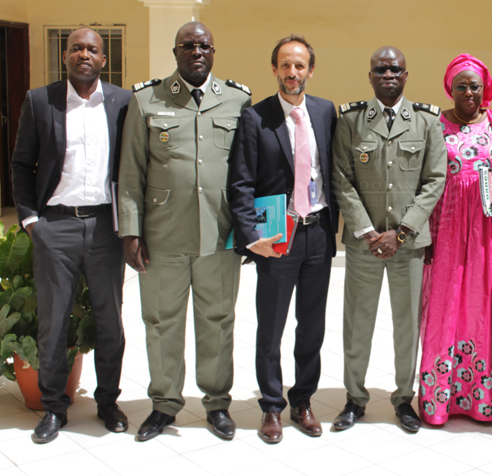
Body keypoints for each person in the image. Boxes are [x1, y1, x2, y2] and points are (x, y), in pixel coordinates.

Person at [117, 22, 252, 441]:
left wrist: (251, 231)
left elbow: (249, 171)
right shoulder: (147, 100)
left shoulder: (237, 100)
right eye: (189, 46)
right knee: (160, 321)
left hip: (219, 234)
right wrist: (131, 231)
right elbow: (130, 172)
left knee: (218, 320)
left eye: (204, 46)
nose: (197, 52)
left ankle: (216, 403)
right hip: (163, 236)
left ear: (214, 52)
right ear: (176, 52)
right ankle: (164, 404)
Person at [11, 27, 130, 443]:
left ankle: (108, 402)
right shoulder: (39, 100)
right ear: (65, 56)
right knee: (54, 321)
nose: (84, 54)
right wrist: (31, 222)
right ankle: (53, 409)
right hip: (55, 225)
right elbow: (22, 164)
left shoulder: (121, 102)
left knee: (109, 321)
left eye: (92, 49)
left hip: (104, 227)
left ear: (103, 59)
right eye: (77, 47)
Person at [228, 35, 338, 444]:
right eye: (285, 65)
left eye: (300, 65)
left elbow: (334, 170)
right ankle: (272, 406)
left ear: (311, 69)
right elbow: (240, 183)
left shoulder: (326, 112)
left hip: (319, 235)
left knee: (312, 325)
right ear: (274, 69)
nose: (293, 73)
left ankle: (302, 401)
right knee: (271, 325)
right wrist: (251, 236)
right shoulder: (255, 117)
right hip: (277, 237)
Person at [332, 46, 447, 433]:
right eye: (381, 69)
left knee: (406, 323)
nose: (388, 75)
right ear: (370, 76)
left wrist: (401, 233)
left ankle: (403, 398)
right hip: (365, 243)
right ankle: (355, 399)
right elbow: (342, 179)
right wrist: (368, 231)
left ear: (406, 75)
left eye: (395, 69)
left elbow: (435, 180)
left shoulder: (427, 121)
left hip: (408, 243)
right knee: (357, 321)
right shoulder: (350, 120)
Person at [418, 54, 492, 425]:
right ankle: (437, 400)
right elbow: (423, 179)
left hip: (485, 232)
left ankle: (478, 398)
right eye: (461, 85)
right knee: (444, 307)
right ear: (450, 87)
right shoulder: (435, 123)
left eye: (474, 85)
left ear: (484, 88)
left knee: (478, 307)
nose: (468, 92)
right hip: (444, 230)